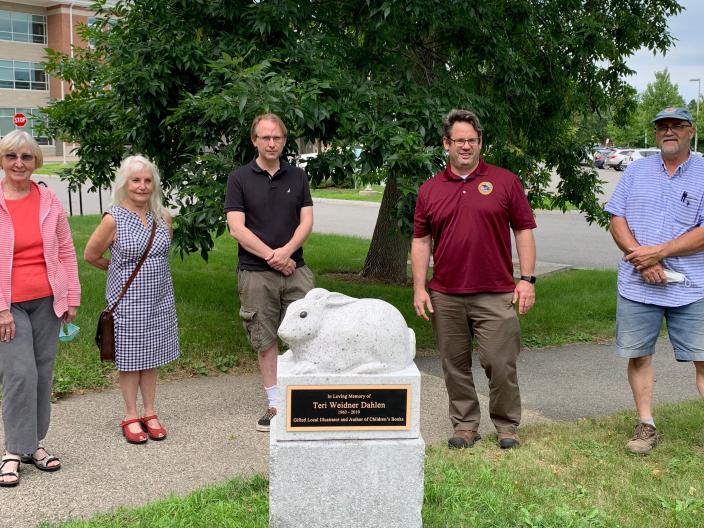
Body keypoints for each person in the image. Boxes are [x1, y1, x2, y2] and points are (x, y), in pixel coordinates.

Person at [411, 109, 537, 450]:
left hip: (496, 292)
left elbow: (523, 229)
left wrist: (527, 279)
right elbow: (421, 240)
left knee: (500, 362)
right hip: (446, 294)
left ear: (480, 143)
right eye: (458, 141)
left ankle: (507, 425)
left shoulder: (506, 181)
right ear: (446, 144)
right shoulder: (430, 190)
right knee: (454, 365)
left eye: (472, 140)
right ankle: (465, 425)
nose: (465, 146)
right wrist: (419, 287)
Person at [605, 107, 704, 455]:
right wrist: (640, 256)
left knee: (703, 358)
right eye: (662, 127)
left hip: (693, 286)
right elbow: (616, 217)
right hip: (638, 283)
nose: (668, 132)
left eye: (676, 125)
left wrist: (658, 252)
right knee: (639, 355)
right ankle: (646, 425)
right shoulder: (637, 170)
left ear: (691, 130)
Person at [224, 113, 314, 432]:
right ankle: (276, 404)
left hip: (296, 269)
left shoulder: (298, 177)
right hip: (255, 273)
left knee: (308, 333)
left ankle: (304, 400)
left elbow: (306, 222)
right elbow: (237, 228)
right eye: (265, 137)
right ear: (255, 141)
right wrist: (274, 257)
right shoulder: (239, 179)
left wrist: (287, 253)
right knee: (264, 338)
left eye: (277, 137)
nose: (272, 143)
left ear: (284, 141)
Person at [0, 130, 80, 486]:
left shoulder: (48, 200)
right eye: (11, 156)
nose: (19, 163)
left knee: (43, 373)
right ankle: (13, 451)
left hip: (47, 301)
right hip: (8, 305)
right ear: (2, 160)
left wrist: (71, 297)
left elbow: (65, 250)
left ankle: (34, 445)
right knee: (20, 374)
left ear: (36, 161)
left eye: (26, 157)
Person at [85, 155, 179, 444]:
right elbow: (91, 255)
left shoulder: (163, 217)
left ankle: (150, 412)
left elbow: (161, 255)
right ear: (125, 184)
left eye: (147, 180)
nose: (142, 186)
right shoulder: (113, 218)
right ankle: (130, 415)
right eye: (136, 180)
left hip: (160, 299)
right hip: (127, 302)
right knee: (130, 361)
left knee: (151, 358)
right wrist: (119, 271)